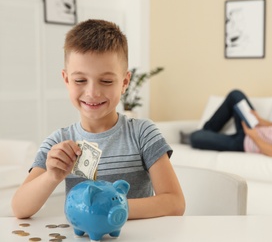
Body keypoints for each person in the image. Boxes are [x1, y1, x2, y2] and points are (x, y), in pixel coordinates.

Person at [12, 19, 185, 219]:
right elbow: (19, 208)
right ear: (66, 80)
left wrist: (109, 209)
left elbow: (175, 202)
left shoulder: (142, 133)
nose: (92, 92)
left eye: (106, 81)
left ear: (125, 82)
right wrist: (51, 176)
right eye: (80, 80)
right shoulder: (58, 142)